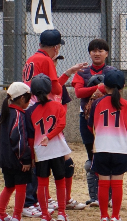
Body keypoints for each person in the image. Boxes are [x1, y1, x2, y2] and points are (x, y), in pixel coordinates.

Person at [22, 29, 87, 218]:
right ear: (56, 47)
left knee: (38, 157)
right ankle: (30, 202)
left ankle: (40, 200)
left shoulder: (32, 58)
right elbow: (56, 87)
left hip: (31, 109)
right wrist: (63, 80)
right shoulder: (47, 60)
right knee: (40, 159)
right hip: (41, 111)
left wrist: (67, 72)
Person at [87, 69, 127, 221]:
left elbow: (91, 127)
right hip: (121, 149)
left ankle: (104, 216)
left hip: (101, 148)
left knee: (103, 184)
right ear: (123, 86)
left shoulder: (97, 103)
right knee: (117, 184)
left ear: (104, 86)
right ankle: (116, 216)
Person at [71, 39, 115, 206]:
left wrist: (100, 89)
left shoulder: (112, 71)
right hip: (87, 118)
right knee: (92, 157)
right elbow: (79, 92)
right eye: (94, 50)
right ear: (89, 53)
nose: (97, 53)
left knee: (107, 155)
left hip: (108, 119)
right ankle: (95, 197)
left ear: (107, 53)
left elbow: (119, 86)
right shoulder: (82, 72)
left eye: (101, 50)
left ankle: (109, 196)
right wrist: (101, 88)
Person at [25, 74, 72, 221]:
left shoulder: (30, 111)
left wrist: (32, 157)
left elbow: (31, 138)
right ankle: (62, 213)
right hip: (57, 149)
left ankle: (45, 214)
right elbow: (61, 124)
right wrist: (50, 136)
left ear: (32, 93)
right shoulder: (57, 105)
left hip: (41, 152)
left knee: (42, 183)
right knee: (60, 181)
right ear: (49, 89)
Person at [53, 55, 86, 211]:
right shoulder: (38, 84)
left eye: (55, 62)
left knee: (68, 164)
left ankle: (65, 199)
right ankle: (41, 200)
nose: (53, 64)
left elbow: (63, 105)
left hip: (56, 132)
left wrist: (59, 122)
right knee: (42, 169)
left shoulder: (59, 85)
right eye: (51, 61)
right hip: (41, 133)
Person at [0, 83, 32, 221]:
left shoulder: (4, 114)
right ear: (22, 99)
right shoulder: (19, 115)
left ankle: (1, 213)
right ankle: (16, 216)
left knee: (9, 186)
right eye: (28, 99)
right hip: (17, 160)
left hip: (5, 159)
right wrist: (25, 159)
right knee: (21, 188)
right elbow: (18, 138)